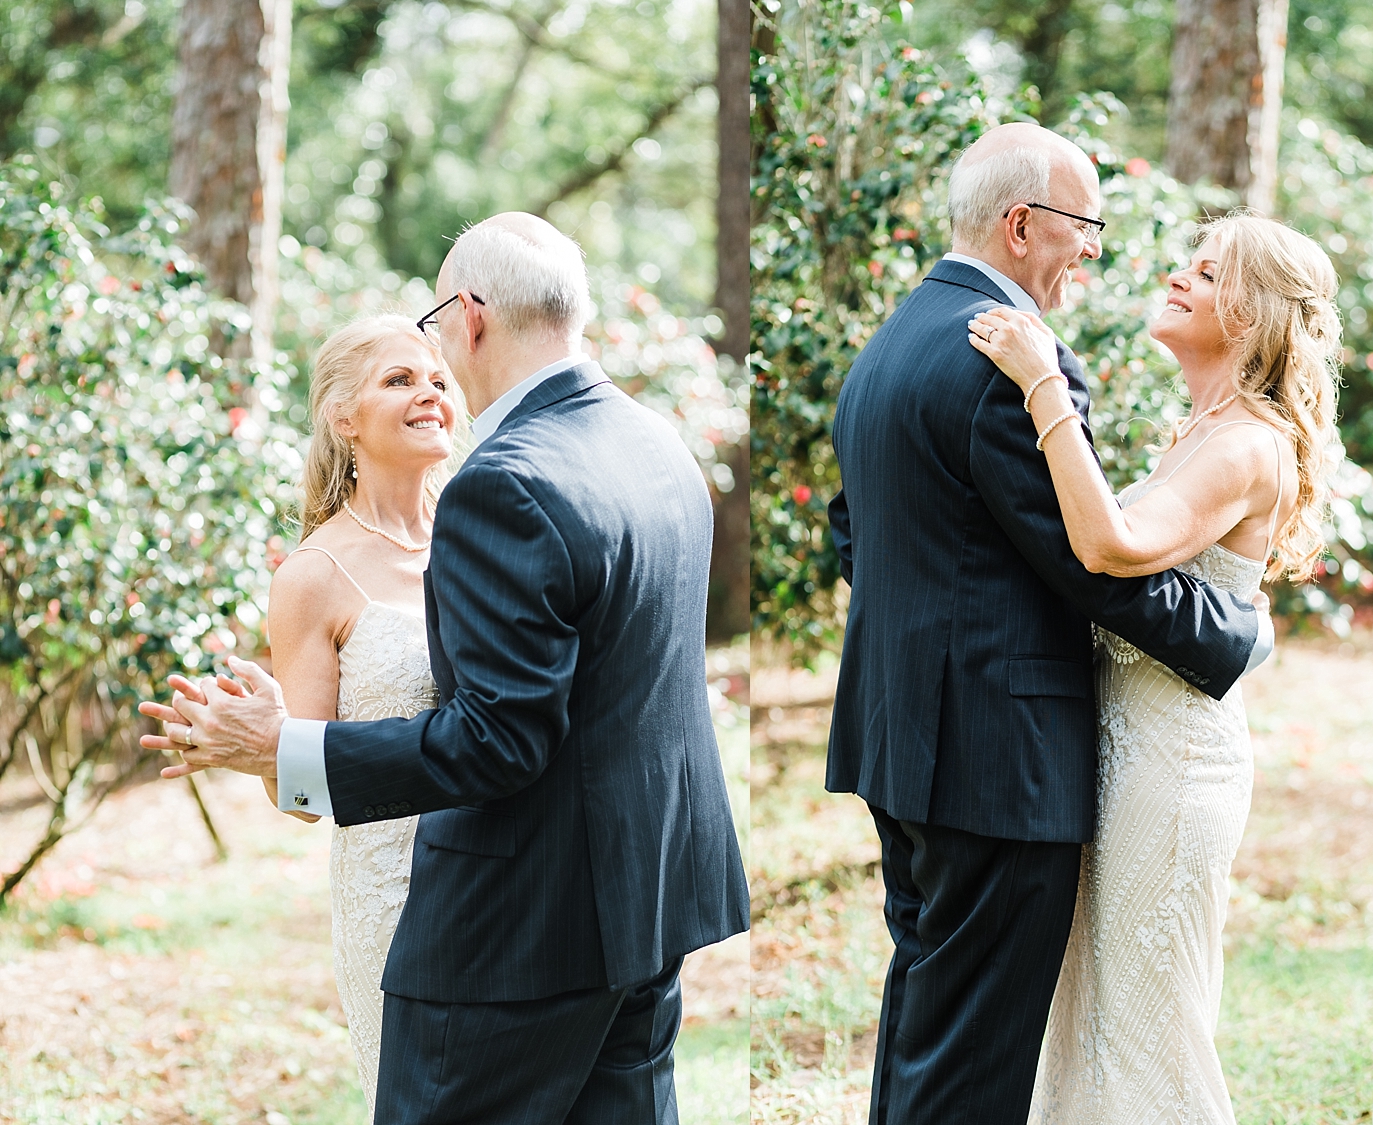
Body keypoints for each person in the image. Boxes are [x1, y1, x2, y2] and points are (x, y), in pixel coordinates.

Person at [141, 213, 750, 1125]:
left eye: (432, 357)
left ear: (469, 316)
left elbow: (503, 739)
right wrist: (286, 746)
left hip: (514, 924)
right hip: (644, 892)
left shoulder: (502, 486)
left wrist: (286, 747)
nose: (433, 384)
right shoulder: (655, 442)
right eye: (398, 377)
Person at [823, 122, 1274, 1124]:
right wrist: (1230, 634)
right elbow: (1091, 565)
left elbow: (852, 531)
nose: (1097, 249)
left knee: (927, 1020)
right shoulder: (1003, 361)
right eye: (1087, 224)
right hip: (996, 760)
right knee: (975, 1062)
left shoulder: (890, 346)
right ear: (1023, 226)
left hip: (900, 738)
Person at [969, 212, 1340, 1124]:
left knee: (1149, 1031)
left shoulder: (1248, 443)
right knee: (1093, 1021)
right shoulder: (1200, 430)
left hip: (1173, 772)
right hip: (1123, 759)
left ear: (1252, 313)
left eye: (1207, 274)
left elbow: (1110, 544)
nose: (1178, 277)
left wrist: (1043, 386)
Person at [247, 314, 465, 1118]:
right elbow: (301, 799)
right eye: (400, 380)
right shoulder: (314, 574)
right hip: (392, 898)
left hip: (507, 873)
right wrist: (263, 740)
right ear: (344, 417)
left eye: (438, 380)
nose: (429, 395)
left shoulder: (479, 530)